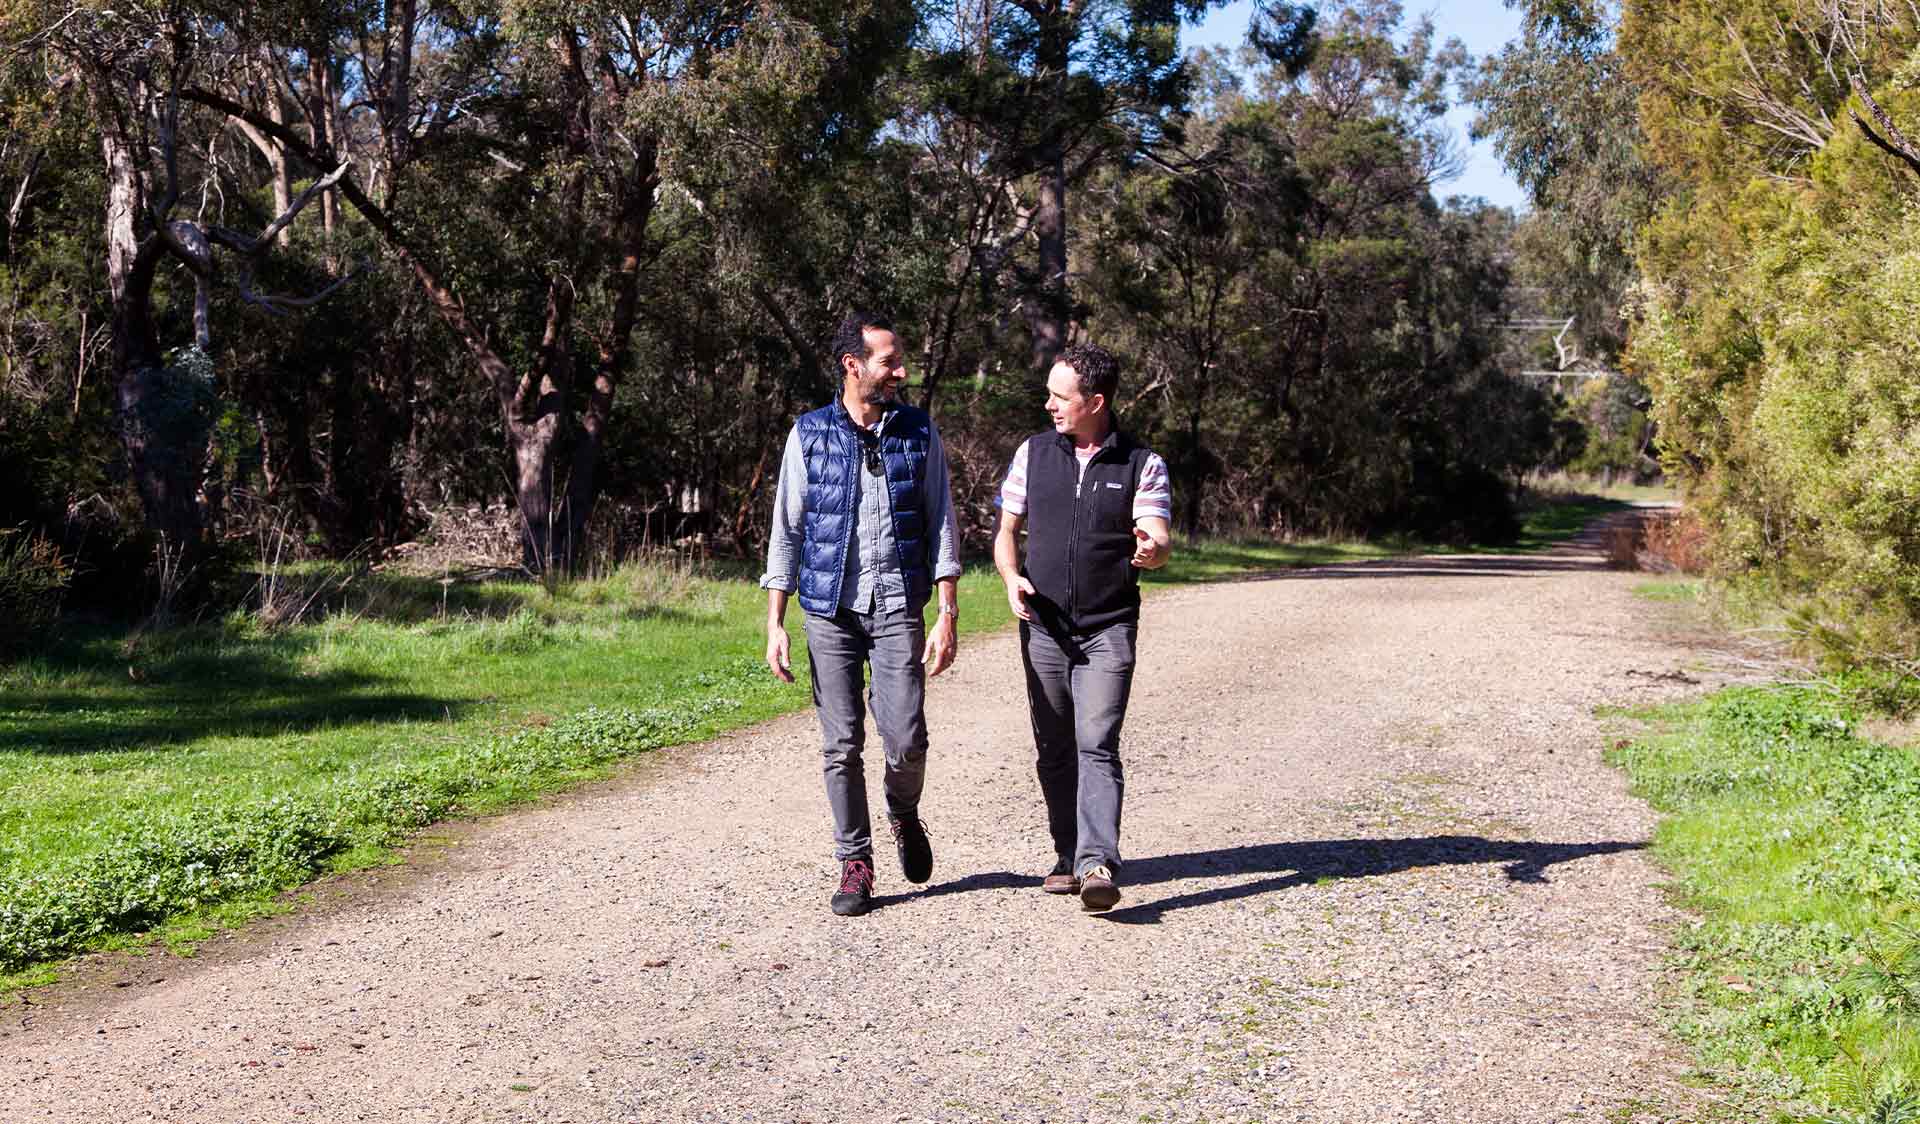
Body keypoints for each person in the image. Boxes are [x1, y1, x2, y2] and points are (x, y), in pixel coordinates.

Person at [762, 311, 963, 917]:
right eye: (889, 361)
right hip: (829, 612)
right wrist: (775, 621)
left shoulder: (918, 433)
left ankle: (903, 810)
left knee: (906, 740)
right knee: (840, 743)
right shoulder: (809, 434)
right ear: (854, 366)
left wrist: (948, 610)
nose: (900, 371)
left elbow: (943, 521)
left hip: (898, 602)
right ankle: (856, 860)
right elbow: (786, 530)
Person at [993, 343, 1172, 912]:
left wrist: (1154, 549)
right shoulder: (1032, 454)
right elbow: (1005, 533)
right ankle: (1067, 852)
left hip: (1108, 627)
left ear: (1095, 402)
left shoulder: (1143, 464)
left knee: (1097, 742)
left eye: (1059, 396)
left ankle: (1097, 861)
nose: (1048, 404)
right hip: (1043, 627)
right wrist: (1009, 576)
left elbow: (1157, 533)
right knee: (1053, 747)